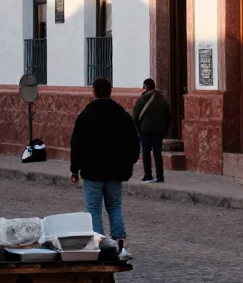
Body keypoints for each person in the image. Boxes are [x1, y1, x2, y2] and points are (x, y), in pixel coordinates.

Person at [70, 76, 140, 246]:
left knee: (93, 209)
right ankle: (118, 238)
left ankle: (99, 242)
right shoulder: (122, 115)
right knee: (114, 206)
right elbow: (134, 143)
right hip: (116, 171)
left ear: (93, 92)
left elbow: (77, 143)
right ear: (111, 92)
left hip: (92, 172)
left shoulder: (86, 115)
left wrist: (75, 169)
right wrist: (128, 164)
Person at [133, 78, 170, 184]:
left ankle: (148, 175)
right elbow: (168, 116)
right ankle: (160, 175)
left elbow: (135, 115)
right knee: (157, 152)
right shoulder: (163, 99)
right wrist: (165, 129)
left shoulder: (142, 100)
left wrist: (137, 127)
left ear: (146, 87)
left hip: (145, 130)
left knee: (146, 152)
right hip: (159, 131)